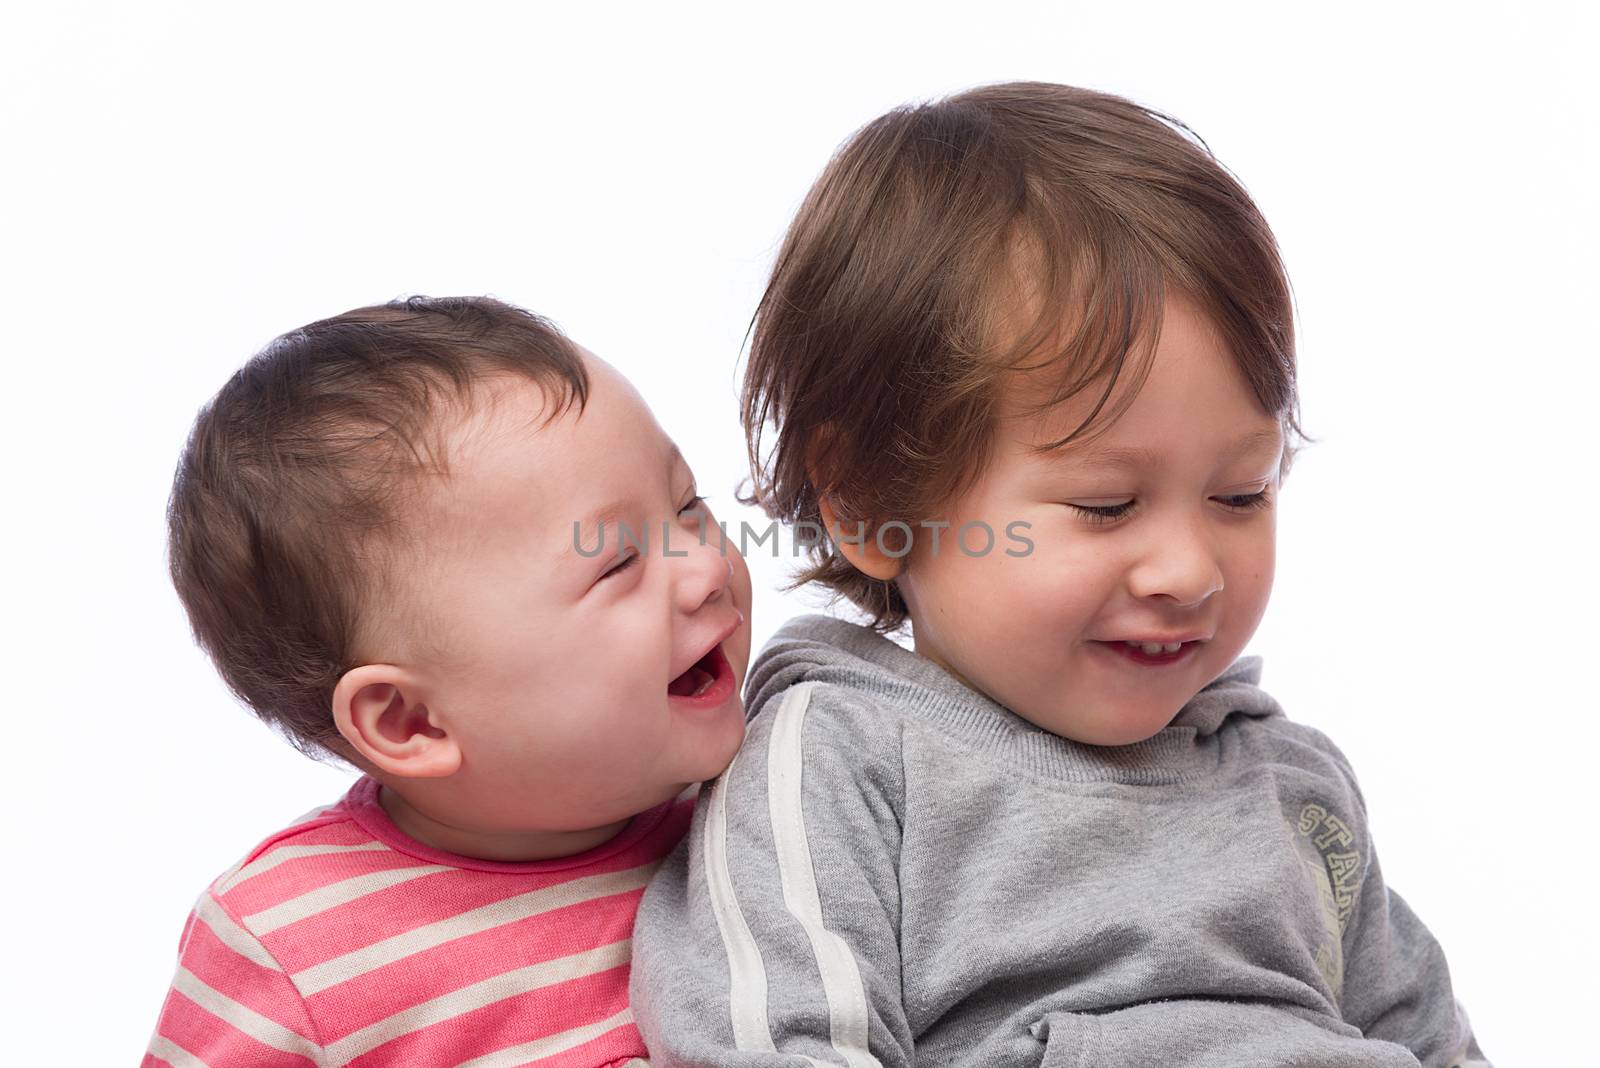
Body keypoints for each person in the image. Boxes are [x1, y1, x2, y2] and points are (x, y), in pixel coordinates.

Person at [631, 84, 1489, 1067]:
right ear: (867, 503)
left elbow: (1432, 1039)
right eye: (1107, 506)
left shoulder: (1288, 784)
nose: (1188, 569)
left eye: (1241, 494)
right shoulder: (840, 758)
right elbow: (775, 1041)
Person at [145, 296, 753, 1067]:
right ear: (409, 722)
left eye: (687, 504)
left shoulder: (780, 807)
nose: (706, 569)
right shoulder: (295, 943)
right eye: (618, 564)